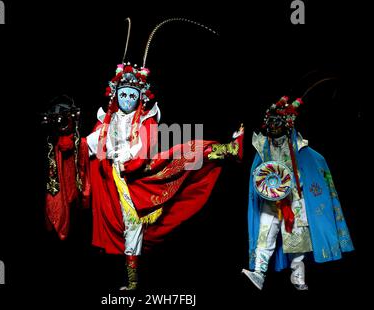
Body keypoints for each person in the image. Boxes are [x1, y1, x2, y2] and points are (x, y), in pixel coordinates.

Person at [44, 18, 244, 290]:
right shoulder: (106, 122)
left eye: (132, 95)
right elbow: (88, 145)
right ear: (115, 95)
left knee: (184, 155)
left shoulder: (146, 121)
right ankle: (128, 278)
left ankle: (227, 149)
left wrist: (128, 160)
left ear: (140, 98)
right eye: (123, 94)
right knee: (124, 225)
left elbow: (143, 148)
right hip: (113, 180)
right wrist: (68, 139)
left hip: (140, 173)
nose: (127, 99)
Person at [242, 94, 354, 290]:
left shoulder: (299, 148)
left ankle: (298, 276)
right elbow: (258, 174)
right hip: (271, 199)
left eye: (279, 123)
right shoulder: (263, 147)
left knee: (297, 240)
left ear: (287, 125)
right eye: (271, 122)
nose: (274, 127)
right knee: (265, 235)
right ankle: (259, 273)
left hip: (294, 199)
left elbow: (308, 169)